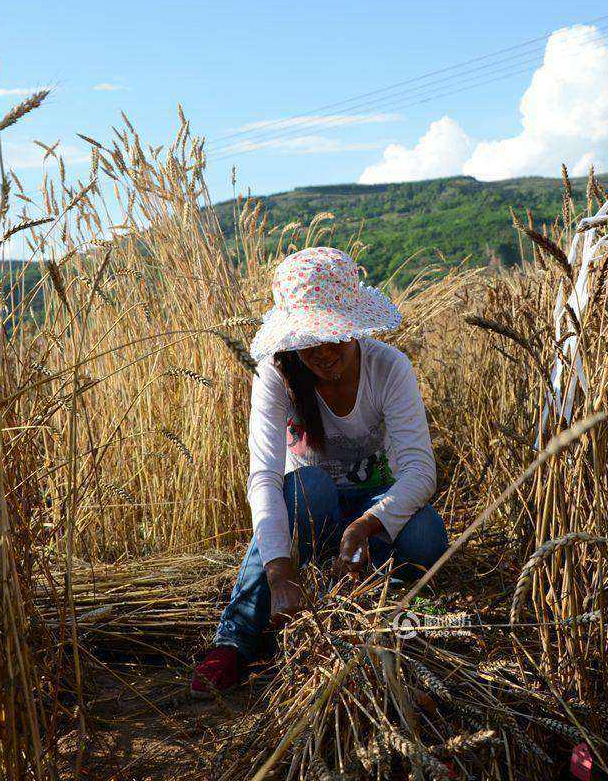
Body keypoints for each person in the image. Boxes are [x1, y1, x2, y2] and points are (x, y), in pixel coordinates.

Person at [190, 246, 449, 697]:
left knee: (426, 533)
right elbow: (264, 478)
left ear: (355, 327)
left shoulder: (389, 368)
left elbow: (419, 470)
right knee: (308, 485)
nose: (322, 351)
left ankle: (381, 606)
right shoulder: (277, 375)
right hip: (310, 514)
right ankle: (234, 642)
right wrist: (280, 571)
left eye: (334, 334)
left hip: (371, 511)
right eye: (309, 338)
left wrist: (368, 525)